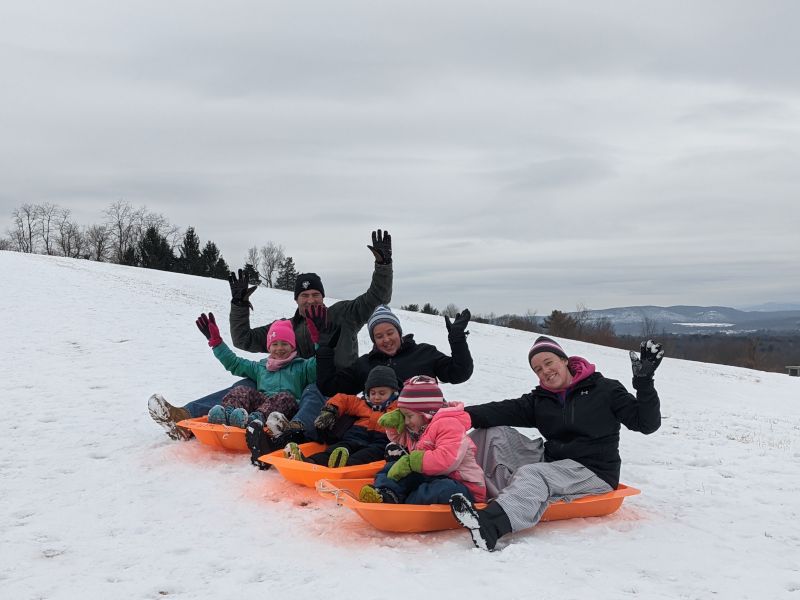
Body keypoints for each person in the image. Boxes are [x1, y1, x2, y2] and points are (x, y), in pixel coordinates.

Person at [147, 229, 393, 441]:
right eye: (304, 296)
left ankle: (295, 431)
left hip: (334, 387)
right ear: (296, 299)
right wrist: (239, 304)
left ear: (323, 297)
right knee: (245, 384)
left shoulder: (343, 314)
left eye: (315, 295)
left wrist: (383, 266)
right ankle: (184, 418)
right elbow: (244, 339)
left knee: (312, 390)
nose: (310, 300)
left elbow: (377, 298)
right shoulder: (285, 329)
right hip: (291, 385)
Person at [448, 336, 664, 552]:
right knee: (493, 434)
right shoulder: (542, 399)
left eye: (548, 362)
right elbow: (499, 410)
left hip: (593, 471)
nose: (545, 371)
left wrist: (644, 383)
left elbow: (646, 424)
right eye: (538, 369)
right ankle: (444, 475)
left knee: (534, 474)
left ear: (564, 360)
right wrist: (456, 416)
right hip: (554, 463)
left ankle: (489, 525)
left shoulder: (605, 390)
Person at [358, 375, 486, 505]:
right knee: (391, 467)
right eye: (403, 416)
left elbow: (447, 460)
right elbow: (400, 439)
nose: (406, 421)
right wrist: (394, 425)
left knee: (442, 489)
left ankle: (407, 504)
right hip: (432, 476)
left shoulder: (450, 424)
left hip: (463, 487)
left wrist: (412, 461)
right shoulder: (419, 427)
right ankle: (386, 493)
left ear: (425, 413)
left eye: (408, 416)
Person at [315, 304, 474, 399]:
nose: (386, 339)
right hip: (376, 432)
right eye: (379, 336)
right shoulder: (365, 364)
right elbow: (329, 387)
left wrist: (457, 339)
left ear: (399, 332)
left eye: (390, 333)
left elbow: (460, 373)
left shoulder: (424, 353)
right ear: (374, 340)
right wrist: (325, 351)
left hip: (421, 431)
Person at [194, 314, 315, 429]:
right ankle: (228, 415)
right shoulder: (261, 367)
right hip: (261, 405)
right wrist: (217, 343)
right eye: (275, 344)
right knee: (241, 390)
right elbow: (235, 363)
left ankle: (257, 420)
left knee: (285, 397)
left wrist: (319, 341)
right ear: (269, 347)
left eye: (284, 344)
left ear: (292, 346)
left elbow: (318, 364)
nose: (279, 348)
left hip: (285, 411)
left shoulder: (302, 366)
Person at [283, 365, 400, 467]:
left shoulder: (398, 407)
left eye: (382, 393)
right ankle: (309, 461)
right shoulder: (362, 403)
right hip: (356, 435)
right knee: (336, 449)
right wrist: (331, 410)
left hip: (379, 440)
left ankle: (345, 465)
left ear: (393, 392)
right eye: (372, 393)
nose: (376, 397)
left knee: (367, 455)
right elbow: (343, 399)